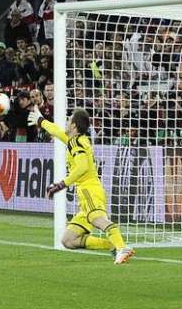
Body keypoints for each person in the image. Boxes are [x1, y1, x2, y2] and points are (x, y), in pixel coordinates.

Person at [27, 107, 135, 264]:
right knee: (68, 240)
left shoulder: (76, 143)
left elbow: (82, 167)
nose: (66, 121)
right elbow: (56, 131)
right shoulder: (75, 140)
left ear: (74, 126)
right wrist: (40, 121)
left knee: (99, 220)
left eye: (69, 119)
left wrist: (62, 184)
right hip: (86, 194)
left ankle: (121, 247)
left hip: (90, 190)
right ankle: (114, 245)